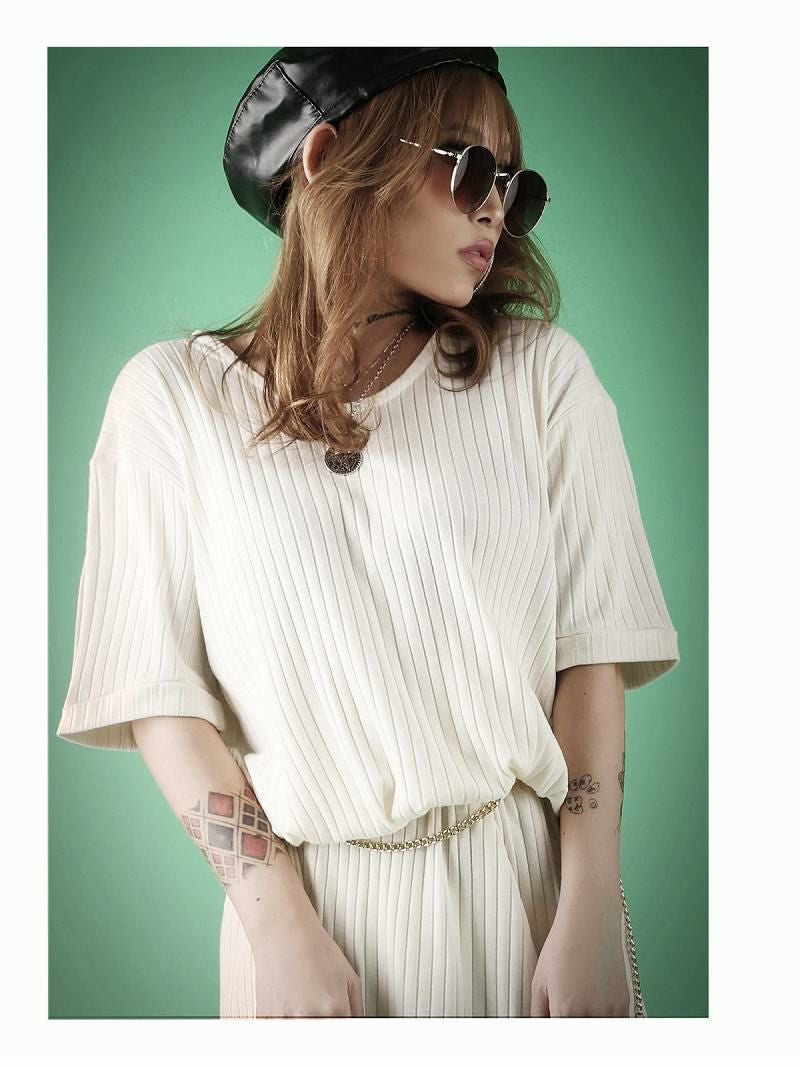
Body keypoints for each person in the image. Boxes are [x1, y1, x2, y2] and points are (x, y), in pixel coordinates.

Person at [56, 47, 680, 1018]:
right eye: (469, 165)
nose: (494, 207)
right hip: (304, 932)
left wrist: (589, 903)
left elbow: (588, 656)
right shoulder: (171, 402)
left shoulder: (542, 376)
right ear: (326, 157)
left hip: (531, 911)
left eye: (514, 187)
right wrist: (275, 923)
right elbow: (159, 695)